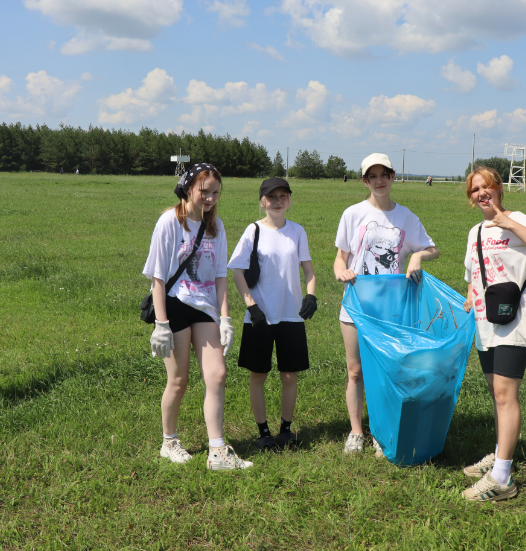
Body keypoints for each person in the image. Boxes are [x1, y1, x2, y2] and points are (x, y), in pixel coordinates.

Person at [142, 163, 251, 471]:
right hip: (174, 306)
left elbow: (219, 277)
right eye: (205, 191)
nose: (210, 198)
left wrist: (225, 318)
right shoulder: (169, 222)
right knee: (178, 380)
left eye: (216, 193)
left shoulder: (216, 227)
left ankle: (217, 453)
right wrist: (161, 325)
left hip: (204, 308)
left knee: (217, 375)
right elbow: (158, 278)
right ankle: (169, 441)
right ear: (188, 188)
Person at [460, 166, 526, 502]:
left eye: (487, 187)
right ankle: (501, 453)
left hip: (516, 321)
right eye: (476, 190)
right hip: (485, 325)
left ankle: (502, 478)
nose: (482, 193)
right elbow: (474, 277)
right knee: (495, 390)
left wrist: (510, 223)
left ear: (499, 190)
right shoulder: (474, 232)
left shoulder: (518, 219)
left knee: (504, 392)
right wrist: (470, 299)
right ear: (471, 198)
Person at [333, 153, 439, 455]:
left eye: (384, 175)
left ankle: (382, 431)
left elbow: (433, 249)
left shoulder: (406, 217)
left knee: (387, 371)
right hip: (355, 306)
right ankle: (356, 432)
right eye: (372, 176)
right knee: (355, 372)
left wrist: (418, 255)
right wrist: (341, 271)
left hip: (391, 310)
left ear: (392, 177)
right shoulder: (352, 214)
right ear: (365, 181)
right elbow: (340, 258)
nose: (379, 181)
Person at [228, 177, 317, 452]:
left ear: (289, 200)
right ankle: (263, 432)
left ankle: (286, 430)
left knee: (290, 376)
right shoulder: (253, 230)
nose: (277, 201)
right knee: (259, 375)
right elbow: (238, 272)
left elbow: (309, 271)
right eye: (271, 197)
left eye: (283, 196)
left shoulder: (297, 231)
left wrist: (311, 295)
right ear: (262, 201)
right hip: (260, 316)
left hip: (290, 315)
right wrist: (251, 306)